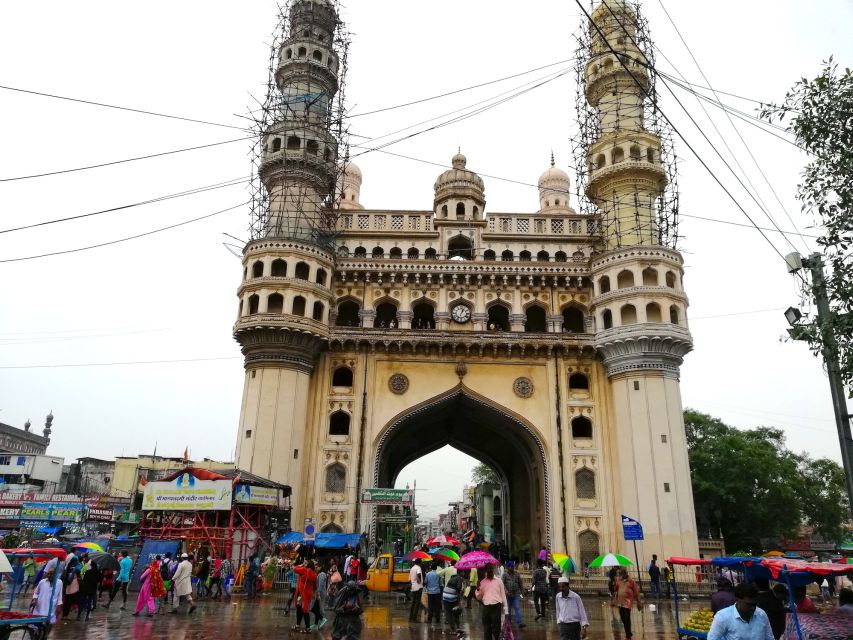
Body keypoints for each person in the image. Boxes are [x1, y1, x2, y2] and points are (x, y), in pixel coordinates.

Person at [708, 582, 774, 640]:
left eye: (755, 604)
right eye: (749, 604)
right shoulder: (722, 617)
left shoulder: (762, 614)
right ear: (738, 600)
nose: (753, 608)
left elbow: (770, 638)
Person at [476, 563, 508, 640]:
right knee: (486, 628)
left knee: (496, 628)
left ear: (493, 569)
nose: (490, 570)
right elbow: (479, 598)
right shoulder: (482, 582)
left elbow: (503, 595)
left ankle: (496, 637)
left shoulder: (499, 581)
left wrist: (506, 610)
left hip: (496, 607)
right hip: (486, 607)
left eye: (491, 568)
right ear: (486, 570)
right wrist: (478, 589)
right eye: (488, 569)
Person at [614, 568, 641, 639]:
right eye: (620, 574)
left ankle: (628, 635)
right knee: (622, 618)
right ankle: (628, 631)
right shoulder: (618, 580)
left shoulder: (631, 581)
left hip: (628, 603)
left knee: (627, 618)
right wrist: (614, 583)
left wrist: (638, 601)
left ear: (625, 573)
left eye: (623, 574)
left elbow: (636, 591)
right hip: (620, 602)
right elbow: (616, 588)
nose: (621, 575)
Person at [294, 560, 318, 632]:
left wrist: (301, 565)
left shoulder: (304, 570)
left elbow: (295, 569)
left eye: (305, 563)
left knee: (301, 610)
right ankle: (300, 626)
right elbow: (315, 586)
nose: (304, 564)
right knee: (305, 609)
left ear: (308, 564)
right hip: (308, 594)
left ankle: (306, 628)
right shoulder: (314, 574)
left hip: (301, 593)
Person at [441, 564, 465, 636]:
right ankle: (456, 628)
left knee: (448, 612)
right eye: (463, 572)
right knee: (455, 611)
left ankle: (453, 629)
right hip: (452, 596)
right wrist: (459, 597)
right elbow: (458, 588)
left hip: (445, 595)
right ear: (461, 572)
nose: (464, 573)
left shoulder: (452, 577)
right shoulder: (460, 578)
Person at [502, 560, 525, 627]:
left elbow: (520, 583)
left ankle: (520, 622)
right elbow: (502, 584)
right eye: (510, 567)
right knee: (508, 609)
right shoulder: (505, 574)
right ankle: (508, 622)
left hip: (516, 594)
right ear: (507, 567)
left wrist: (522, 592)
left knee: (517, 608)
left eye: (513, 566)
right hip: (508, 595)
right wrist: (505, 591)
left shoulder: (517, 574)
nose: (512, 568)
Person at [409, 558, 424, 622]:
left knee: (413, 602)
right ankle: (414, 618)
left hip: (413, 586)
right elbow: (419, 574)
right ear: (419, 563)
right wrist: (419, 580)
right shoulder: (418, 568)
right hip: (418, 586)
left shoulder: (412, 568)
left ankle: (411, 617)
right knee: (417, 603)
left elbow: (409, 579)